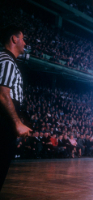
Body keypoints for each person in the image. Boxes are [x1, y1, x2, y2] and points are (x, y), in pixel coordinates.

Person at [0, 25, 31, 191]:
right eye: (23, 38)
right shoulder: (6, 61)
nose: (25, 43)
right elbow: (3, 94)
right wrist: (17, 123)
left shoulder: (6, 60)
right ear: (14, 39)